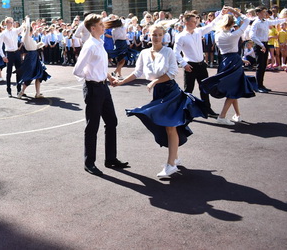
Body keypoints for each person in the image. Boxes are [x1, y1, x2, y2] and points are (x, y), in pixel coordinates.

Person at [113, 24, 207, 178]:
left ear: (164, 36)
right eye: (154, 34)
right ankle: (175, 158)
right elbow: (137, 72)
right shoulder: (144, 53)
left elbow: (172, 73)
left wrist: (155, 81)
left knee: (170, 127)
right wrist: (121, 82)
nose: (156, 37)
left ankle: (171, 165)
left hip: (171, 92)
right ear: (148, 35)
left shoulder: (168, 51)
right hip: (159, 93)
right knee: (167, 127)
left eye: (159, 35)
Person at [72, 14, 128, 176]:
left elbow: (100, 66)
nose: (104, 27)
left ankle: (110, 159)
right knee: (92, 126)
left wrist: (107, 77)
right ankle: (89, 163)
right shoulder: (90, 46)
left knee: (112, 122)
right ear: (93, 28)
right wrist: (91, 77)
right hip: (93, 88)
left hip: (103, 87)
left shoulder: (99, 43)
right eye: (101, 25)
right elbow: (77, 70)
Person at [200, 8, 258, 125]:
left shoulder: (217, 34)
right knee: (233, 89)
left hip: (224, 61)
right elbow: (247, 20)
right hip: (234, 62)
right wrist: (234, 11)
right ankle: (222, 116)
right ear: (232, 24)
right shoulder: (234, 35)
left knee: (233, 88)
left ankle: (237, 115)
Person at [173, 10, 219, 117]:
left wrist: (222, 14)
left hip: (201, 65)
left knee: (204, 88)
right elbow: (175, 52)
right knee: (188, 89)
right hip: (190, 66)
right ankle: (183, 110)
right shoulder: (181, 36)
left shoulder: (198, 31)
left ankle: (207, 109)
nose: (196, 23)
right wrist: (184, 64)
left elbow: (211, 25)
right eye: (193, 21)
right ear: (187, 23)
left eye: (196, 21)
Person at [250, 7, 287, 92]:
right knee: (260, 65)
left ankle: (261, 85)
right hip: (259, 45)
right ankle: (258, 86)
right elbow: (252, 36)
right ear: (258, 13)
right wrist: (261, 45)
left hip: (265, 44)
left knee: (264, 65)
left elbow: (275, 22)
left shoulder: (265, 21)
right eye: (263, 12)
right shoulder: (256, 23)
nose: (265, 14)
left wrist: (285, 19)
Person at [17, 16, 50, 98]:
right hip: (31, 57)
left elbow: (33, 47)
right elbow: (28, 27)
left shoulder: (29, 38)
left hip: (34, 56)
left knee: (39, 74)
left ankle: (37, 93)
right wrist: (27, 19)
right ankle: (22, 91)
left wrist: (39, 45)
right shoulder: (26, 37)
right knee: (30, 75)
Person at [0, 17, 24, 97]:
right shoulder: (3, 33)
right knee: (9, 72)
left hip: (17, 52)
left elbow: (23, 27)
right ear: (7, 23)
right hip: (9, 53)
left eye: (12, 22)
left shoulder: (15, 30)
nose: (12, 24)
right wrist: (3, 56)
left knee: (19, 71)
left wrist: (26, 20)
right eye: (10, 22)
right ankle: (9, 90)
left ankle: (19, 89)